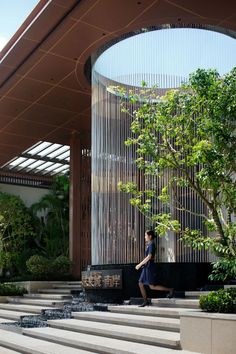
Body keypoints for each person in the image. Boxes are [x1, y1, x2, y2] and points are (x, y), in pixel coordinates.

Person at [135, 230, 174, 307]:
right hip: (146, 266)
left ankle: (170, 290)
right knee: (140, 283)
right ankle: (145, 301)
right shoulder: (149, 244)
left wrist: (139, 264)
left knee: (152, 286)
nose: (145, 237)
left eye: (146, 235)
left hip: (150, 267)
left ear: (150, 236)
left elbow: (149, 257)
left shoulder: (152, 244)